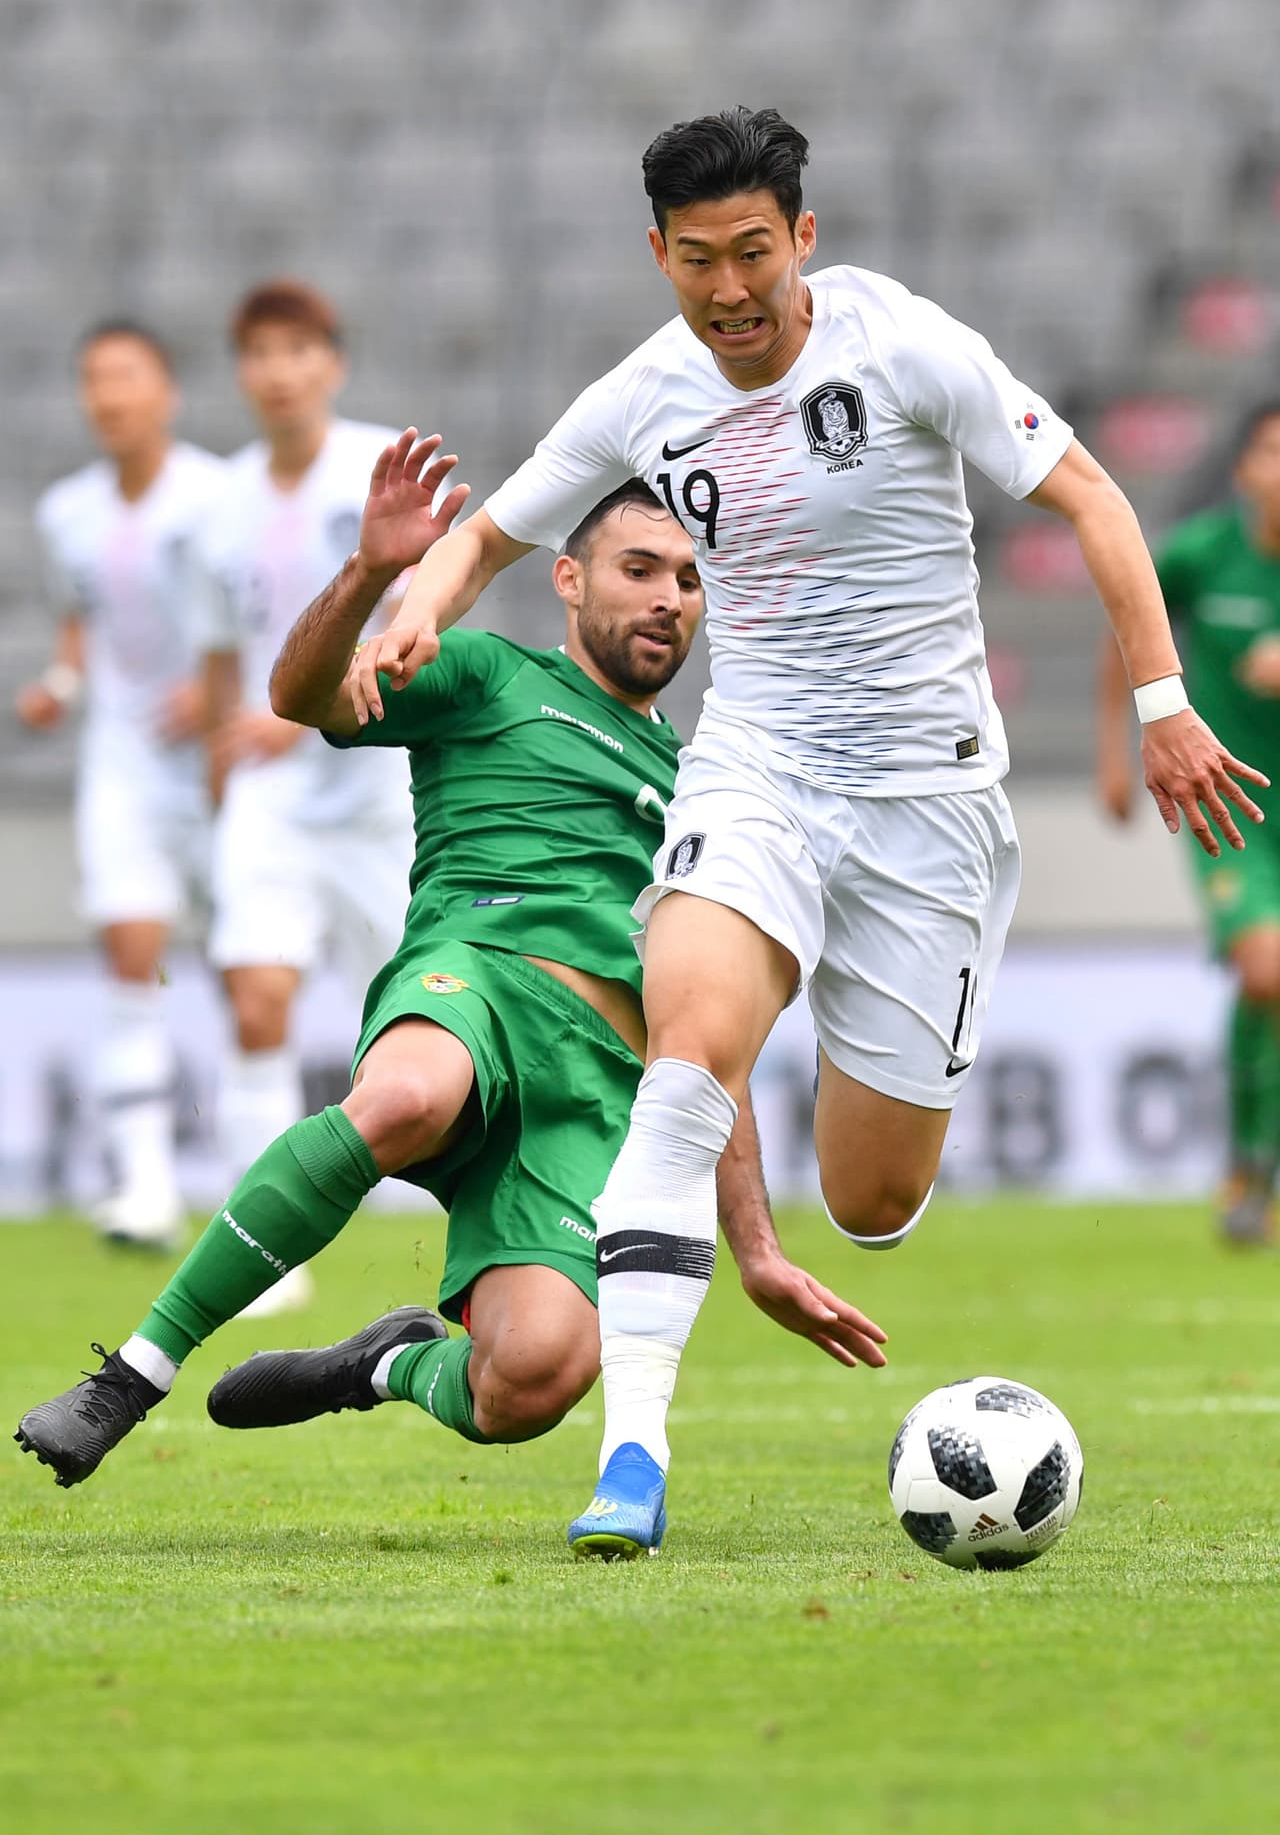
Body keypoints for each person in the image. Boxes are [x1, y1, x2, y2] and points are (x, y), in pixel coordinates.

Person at [343, 106, 1269, 1558]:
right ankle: (632, 1463)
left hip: (928, 802)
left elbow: (1088, 492)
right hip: (757, 769)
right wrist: (419, 603)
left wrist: (1162, 700)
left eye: (755, 253)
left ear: (805, 240)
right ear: (658, 253)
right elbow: (489, 534)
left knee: (872, 1199)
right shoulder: (642, 394)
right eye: (698, 259)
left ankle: (793, 1240)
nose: (729, 289)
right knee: (687, 1055)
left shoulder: (902, 345)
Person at [15, 443, 887, 1517]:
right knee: (405, 1098)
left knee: (530, 1385)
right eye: (639, 569)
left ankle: (382, 1364)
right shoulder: (488, 677)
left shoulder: (713, 795)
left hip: (602, 1089)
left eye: (689, 578)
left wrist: (756, 1250)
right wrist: (367, 574)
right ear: (568, 580)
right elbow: (300, 698)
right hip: (476, 974)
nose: (667, 599)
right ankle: (131, 1376)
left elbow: (712, 1043)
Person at [196, 280, 417, 1313]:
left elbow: (416, 626)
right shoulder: (220, 504)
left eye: (297, 351)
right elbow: (215, 661)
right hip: (268, 800)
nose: (278, 372)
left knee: (412, 1005)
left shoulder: (382, 472)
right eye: (259, 353)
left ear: (330, 362)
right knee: (257, 999)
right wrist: (220, 771)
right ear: (242, 373)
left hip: (375, 789)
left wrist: (300, 709)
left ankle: (447, 1182)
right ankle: (265, 1254)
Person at [15, 321, 226, 1247]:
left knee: (250, 975)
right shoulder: (67, 511)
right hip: (126, 767)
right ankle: (144, 1188)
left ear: (166, 391)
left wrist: (215, 694)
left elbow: (270, 613)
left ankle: (260, 1173)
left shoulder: (219, 496)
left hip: (225, 767)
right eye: (94, 379)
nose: (108, 396)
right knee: (130, 956)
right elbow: (80, 636)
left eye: (126, 377)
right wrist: (56, 692)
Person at [1098, 401, 1280, 1244]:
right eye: (1272, 452)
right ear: (1244, 467)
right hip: (1237, 807)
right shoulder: (1201, 555)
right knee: (1269, 972)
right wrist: (1117, 748)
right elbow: (1128, 635)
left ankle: (1255, 1157)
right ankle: (1250, 1159)